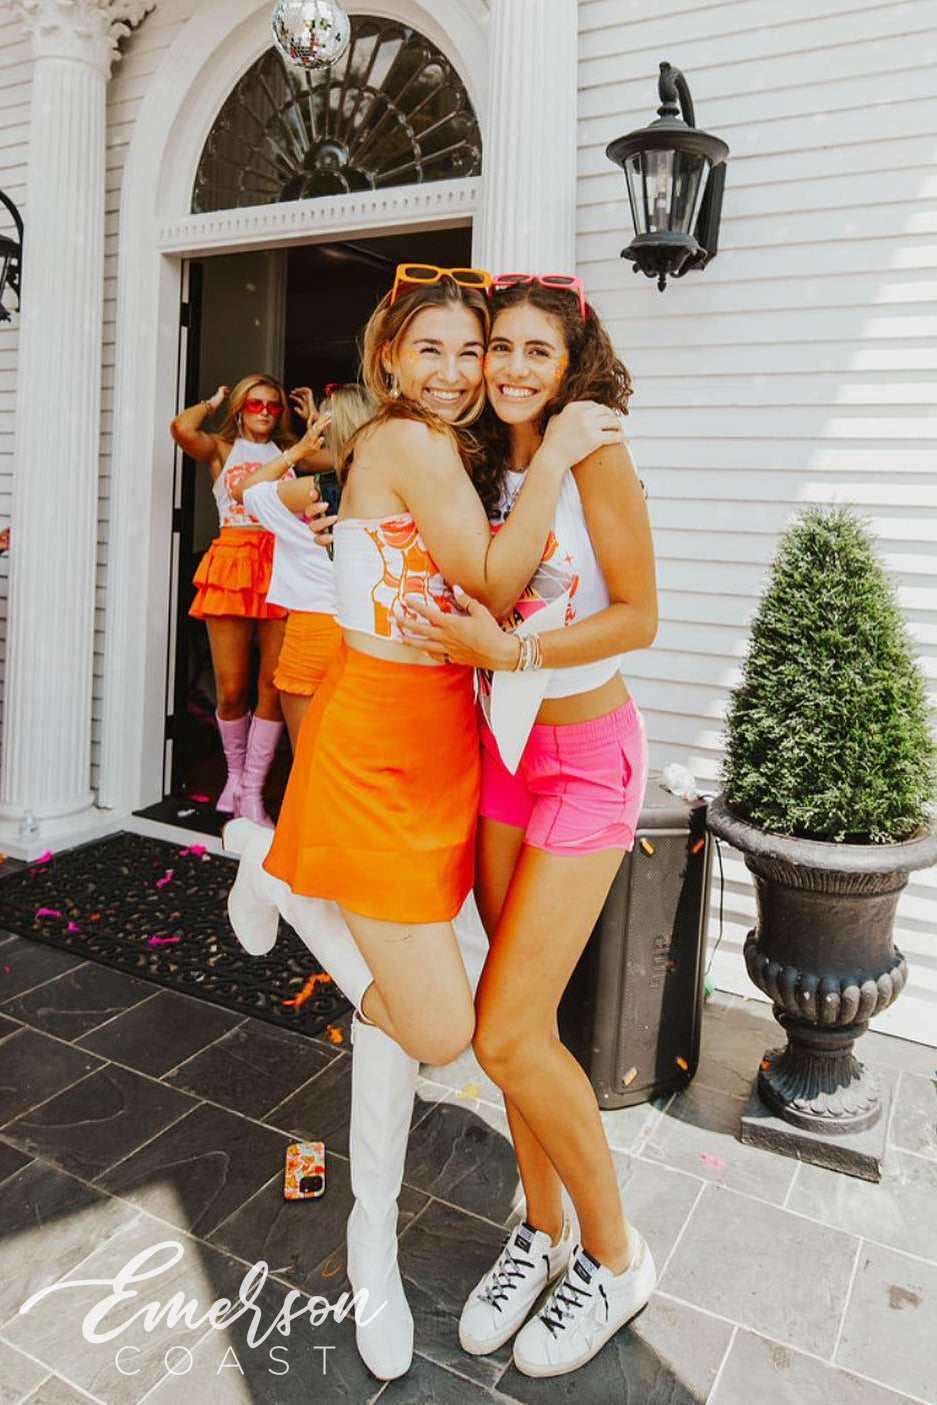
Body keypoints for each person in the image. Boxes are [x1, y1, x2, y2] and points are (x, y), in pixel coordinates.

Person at [224, 263, 621, 1381]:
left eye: (469, 350)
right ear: (388, 357)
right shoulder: (408, 440)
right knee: (441, 1028)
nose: (453, 372)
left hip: (451, 747)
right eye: (430, 350)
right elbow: (492, 575)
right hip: (379, 751)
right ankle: (276, 867)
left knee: (413, 1018)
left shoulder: (457, 450)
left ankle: (375, 1252)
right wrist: (557, 455)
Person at [402, 273, 659, 1378]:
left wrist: (515, 650)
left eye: (533, 352)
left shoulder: (591, 450)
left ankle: (614, 1255)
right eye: (495, 347)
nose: (507, 369)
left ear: (571, 361)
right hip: (500, 757)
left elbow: (639, 615)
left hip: (586, 762)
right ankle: (541, 1229)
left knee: (504, 1031)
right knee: (521, 1023)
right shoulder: (472, 460)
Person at [170, 375, 320, 824]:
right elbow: (181, 428)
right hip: (233, 564)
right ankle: (234, 778)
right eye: (256, 404)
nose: (265, 412)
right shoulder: (222, 448)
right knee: (231, 689)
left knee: (273, 684)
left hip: (281, 562)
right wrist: (212, 401)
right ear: (240, 408)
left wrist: (313, 419)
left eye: (274, 406)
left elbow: (342, 457)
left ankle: (252, 790)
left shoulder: (291, 449)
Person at [232, 384, 378, 745]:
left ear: (329, 434)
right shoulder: (396, 493)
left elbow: (243, 490)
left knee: (308, 760)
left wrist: (299, 449)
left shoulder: (310, 491)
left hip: (313, 630)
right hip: (372, 633)